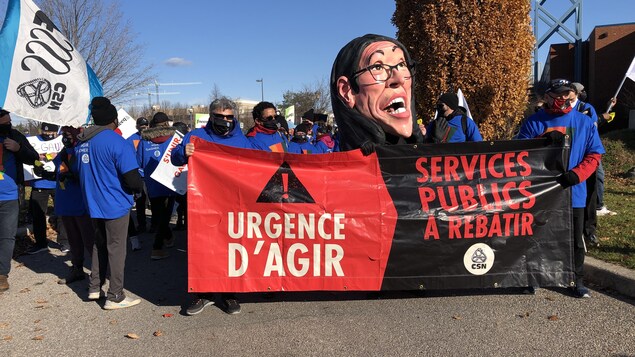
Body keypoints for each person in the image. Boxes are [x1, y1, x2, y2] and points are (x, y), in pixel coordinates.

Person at [516, 78, 605, 298]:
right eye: (559, 95)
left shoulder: (583, 123)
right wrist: (542, 141)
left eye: (567, 94)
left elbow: (594, 154)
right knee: (537, 237)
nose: (564, 99)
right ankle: (532, 277)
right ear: (547, 97)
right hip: (540, 193)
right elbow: (519, 154)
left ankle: (576, 280)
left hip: (573, 192)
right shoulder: (533, 122)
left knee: (574, 241)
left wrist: (578, 174)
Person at [172, 97, 252, 315]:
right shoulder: (196, 137)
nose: (225, 120)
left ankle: (229, 294)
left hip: (232, 205)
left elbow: (257, 165)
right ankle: (203, 293)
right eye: (220, 116)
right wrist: (183, 153)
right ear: (211, 116)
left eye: (228, 117)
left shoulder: (242, 140)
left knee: (230, 248)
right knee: (202, 249)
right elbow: (175, 159)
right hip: (203, 204)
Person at [75, 97, 143, 309]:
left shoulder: (82, 142)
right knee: (116, 248)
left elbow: (78, 173)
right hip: (114, 203)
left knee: (99, 244)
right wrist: (139, 190)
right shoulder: (117, 142)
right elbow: (132, 178)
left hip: (92, 204)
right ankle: (115, 295)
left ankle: (95, 286)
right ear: (113, 120)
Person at [330, 33, 424, 153]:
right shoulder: (341, 168)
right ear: (346, 91)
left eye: (401, 64)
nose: (399, 79)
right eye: (377, 67)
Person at [34, 126, 95, 284]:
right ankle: (77, 269)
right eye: (63, 135)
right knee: (73, 239)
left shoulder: (83, 151)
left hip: (81, 203)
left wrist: (73, 175)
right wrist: (47, 174)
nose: (65, 138)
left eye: (68, 135)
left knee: (89, 240)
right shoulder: (63, 152)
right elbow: (58, 171)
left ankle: (98, 275)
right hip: (65, 202)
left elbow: (89, 173)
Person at [0, 108, 38, 291]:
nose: (8, 125)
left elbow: (33, 158)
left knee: (7, 236)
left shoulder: (15, 136)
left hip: (10, 195)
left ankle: (1, 275)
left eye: (9, 122)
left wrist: (18, 149)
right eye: (3, 122)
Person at [136, 112, 176, 260]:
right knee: (164, 215)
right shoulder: (174, 140)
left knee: (159, 214)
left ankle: (168, 236)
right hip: (170, 182)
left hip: (152, 184)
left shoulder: (144, 141)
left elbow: (139, 162)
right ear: (167, 124)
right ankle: (157, 247)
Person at [26, 122, 69, 254]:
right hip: (39, 184)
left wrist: (56, 157)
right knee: (38, 215)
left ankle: (65, 242)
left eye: (51, 133)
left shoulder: (64, 141)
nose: (48, 135)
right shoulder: (32, 142)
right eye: (45, 133)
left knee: (62, 213)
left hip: (58, 183)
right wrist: (39, 160)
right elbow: (30, 160)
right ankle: (41, 243)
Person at [171, 121, 190, 231]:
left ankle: (184, 223)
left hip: (185, 178)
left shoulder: (186, 141)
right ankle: (181, 223)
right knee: (182, 203)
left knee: (184, 204)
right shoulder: (175, 144)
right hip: (178, 178)